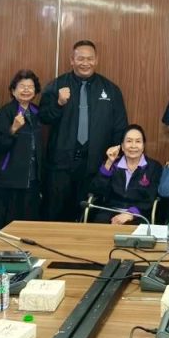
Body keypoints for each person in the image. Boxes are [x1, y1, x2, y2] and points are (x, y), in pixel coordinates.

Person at [40, 40, 128, 222]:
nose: (85, 63)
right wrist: (59, 104)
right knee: (56, 216)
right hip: (61, 166)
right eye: (80, 59)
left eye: (90, 59)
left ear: (96, 60)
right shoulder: (56, 86)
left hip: (95, 166)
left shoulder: (111, 90)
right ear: (72, 60)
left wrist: (110, 162)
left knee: (90, 216)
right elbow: (43, 117)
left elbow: (120, 128)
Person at [0, 69, 45, 228]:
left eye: (30, 87)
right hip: (10, 178)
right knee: (8, 221)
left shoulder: (36, 112)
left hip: (32, 177)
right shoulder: (5, 113)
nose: (26, 90)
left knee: (28, 221)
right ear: (13, 91)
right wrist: (13, 129)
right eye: (22, 86)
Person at [89, 124, 162, 224]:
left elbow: (151, 197)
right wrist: (109, 163)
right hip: (110, 212)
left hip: (139, 214)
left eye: (138, 141)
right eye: (129, 141)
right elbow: (96, 190)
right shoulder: (113, 164)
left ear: (143, 146)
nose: (133, 146)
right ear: (122, 146)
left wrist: (130, 214)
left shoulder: (154, 167)